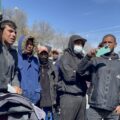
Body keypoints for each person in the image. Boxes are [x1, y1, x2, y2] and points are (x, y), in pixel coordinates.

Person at [77, 34, 120, 120]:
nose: (107, 44)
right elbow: (79, 71)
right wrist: (88, 56)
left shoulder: (118, 63)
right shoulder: (95, 59)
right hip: (94, 107)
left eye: (110, 42)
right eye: (105, 42)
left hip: (113, 110)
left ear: (115, 44)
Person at [57, 34, 88, 120]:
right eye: (77, 43)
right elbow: (69, 76)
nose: (79, 45)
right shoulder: (65, 57)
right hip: (69, 96)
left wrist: (80, 73)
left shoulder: (82, 58)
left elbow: (88, 74)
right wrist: (82, 73)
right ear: (71, 43)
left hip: (82, 96)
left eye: (81, 44)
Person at [18, 35, 41, 105]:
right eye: (27, 43)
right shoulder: (17, 58)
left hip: (35, 100)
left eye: (31, 44)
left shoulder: (36, 60)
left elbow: (39, 78)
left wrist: (38, 91)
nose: (29, 46)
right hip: (20, 99)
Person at [0, 20, 21, 95]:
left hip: (9, 94)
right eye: (10, 31)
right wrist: (9, 88)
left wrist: (16, 86)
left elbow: (15, 73)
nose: (14, 34)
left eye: (15, 32)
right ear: (1, 32)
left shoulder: (14, 52)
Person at [37, 45, 58, 120]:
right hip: (38, 98)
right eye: (41, 54)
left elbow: (56, 82)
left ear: (48, 55)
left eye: (45, 54)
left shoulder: (52, 67)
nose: (43, 56)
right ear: (38, 55)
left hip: (49, 99)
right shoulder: (36, 65)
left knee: (48, 117)